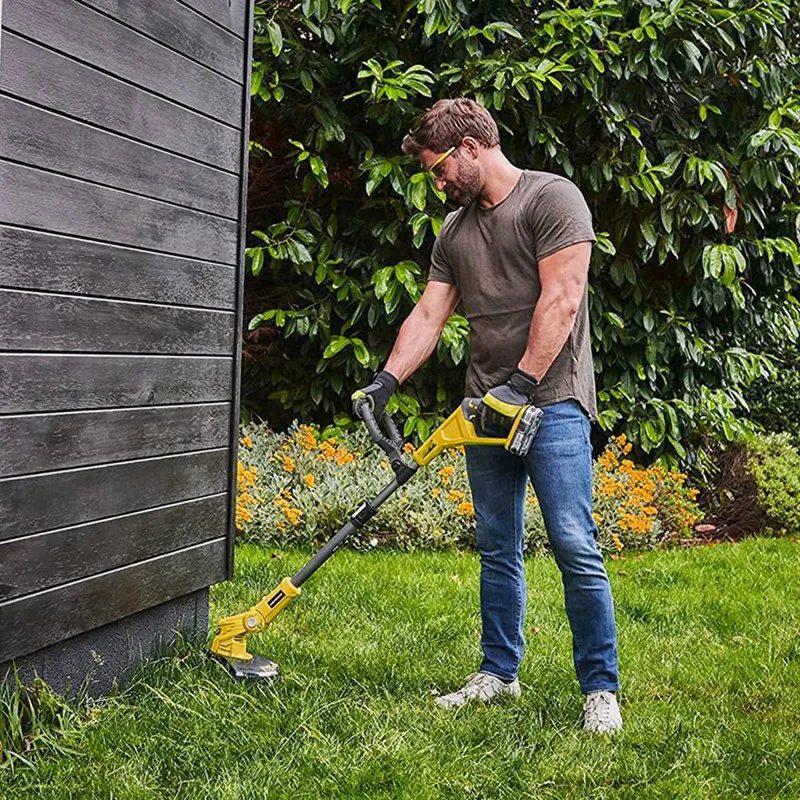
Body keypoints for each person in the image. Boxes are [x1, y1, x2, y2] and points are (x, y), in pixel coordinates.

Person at [354, 98, 621, 734]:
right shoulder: (454, 231)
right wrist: (386, 381)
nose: (437, 180)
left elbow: (563, 297)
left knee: (573, 543)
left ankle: (601, 689)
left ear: (471, 148)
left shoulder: (553, 201)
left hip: (552, 401)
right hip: (485, 405)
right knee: (497, 545)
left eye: (440, 167)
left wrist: (522, 385)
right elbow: (428, 314)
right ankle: (499, 672)